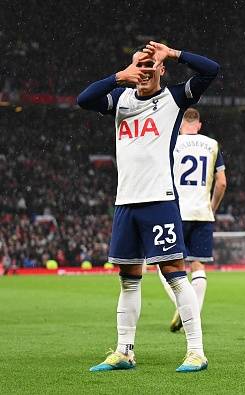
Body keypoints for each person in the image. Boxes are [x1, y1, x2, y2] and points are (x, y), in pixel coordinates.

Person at [77, 41, 219, 372]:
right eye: (138, 65)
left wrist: (174, 53)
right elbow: (83, 99)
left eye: (149, 64)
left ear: (161, 69)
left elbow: (211, 70)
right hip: (125, 202)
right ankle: (124, 352)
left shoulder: (174, 98)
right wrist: (118, 76)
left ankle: (196, 352)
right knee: (128, 278)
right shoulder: (121, 99)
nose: (143, 70)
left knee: (175, 273)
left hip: (159, 199)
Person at [157, 107, 227, 332]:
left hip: (175, 212)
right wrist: (212, 207)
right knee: (198, 264)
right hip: (202, 213)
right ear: (199, 125)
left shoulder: (172, 143)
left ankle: (184, 306)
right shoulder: (212, 145)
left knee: (165, 263)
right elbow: (222, 182)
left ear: (180, 125)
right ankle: (194, 313)